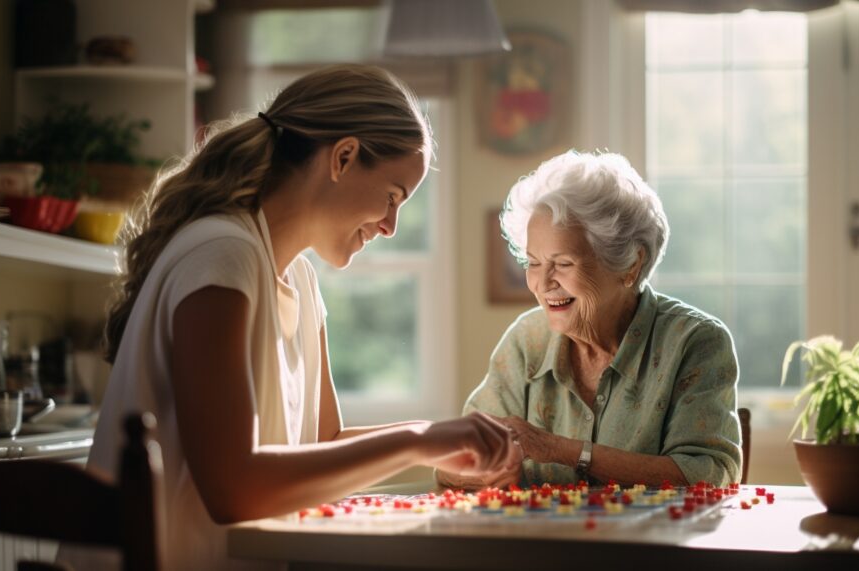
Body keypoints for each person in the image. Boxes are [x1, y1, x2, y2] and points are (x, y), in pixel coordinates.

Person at [59, 65, 518, 571]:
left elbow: (320, 443)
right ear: (342, 158)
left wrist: (435, 440)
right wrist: (415, 442)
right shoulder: (222, 255)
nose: (390, 226)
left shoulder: (297, 278)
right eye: (392, 196)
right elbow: (234, 491)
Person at [438, 151, 741, 490]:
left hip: (647, 542)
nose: (543, 282)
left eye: (563, 264)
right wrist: (482, 472)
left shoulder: (693, 342)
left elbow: (709, 476)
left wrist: (560, 450)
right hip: (536, 541)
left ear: (630, 265)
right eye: (533, 262)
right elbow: (450, 460)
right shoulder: (527, 340)